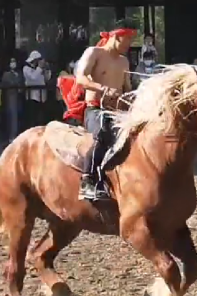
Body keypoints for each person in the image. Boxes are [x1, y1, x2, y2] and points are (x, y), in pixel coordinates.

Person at [74, 19, 136, 200]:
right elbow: (80, 78)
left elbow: (127, 88)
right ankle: (88, 181)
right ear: (117, 36)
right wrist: (104, 89)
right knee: (103, 130)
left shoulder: (124, 62)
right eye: (128, 40)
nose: (130, 45)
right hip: (95, 110)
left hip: (116, 111)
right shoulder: (94, 53)